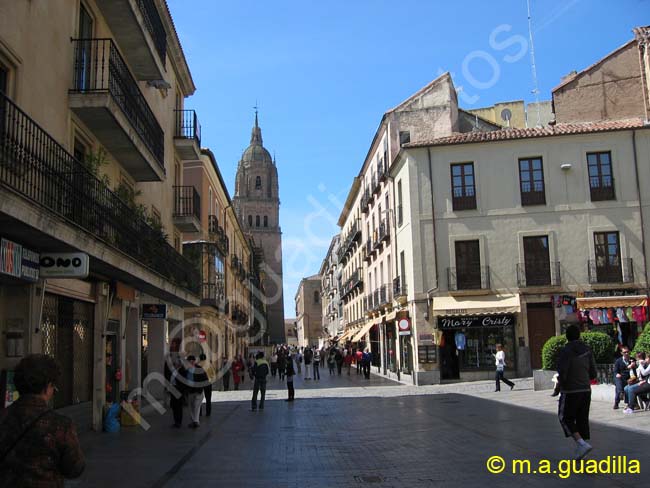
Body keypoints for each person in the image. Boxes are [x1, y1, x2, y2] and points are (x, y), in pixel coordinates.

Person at [0, 354, 85, 485]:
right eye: (53, 386)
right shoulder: (60, 425)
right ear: (47, 386)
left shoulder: (4, 417)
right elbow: (74, 469)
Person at [557, 325, 597, 460]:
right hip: (586, 389)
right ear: (579, 335)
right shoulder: (587, 349)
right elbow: (593, 373)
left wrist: (560, 385)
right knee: (582, 418)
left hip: (571, 390)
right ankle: (582, 447)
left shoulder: (565, 351)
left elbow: (563, 372)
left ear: (567, 336)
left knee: (565, 417)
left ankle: (581, 444)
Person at [164, 345, 185, 427]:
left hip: (178, 390)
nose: (175, 365)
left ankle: (178, 422)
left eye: (177, 364)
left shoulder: (182, 371)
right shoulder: (174, 371)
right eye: (175, 363)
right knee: (174, 406)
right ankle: (176, 421)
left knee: (178, 407)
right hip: (173, 389)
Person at [184, 355, 208, 428]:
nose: (191, 362)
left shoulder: (199, 369)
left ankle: (196, 421)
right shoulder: (185, 370)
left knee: (197, 406)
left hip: (198, 391)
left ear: (194, 361)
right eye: (189, 361)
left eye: (192, 361)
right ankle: (194, 420)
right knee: (191, 407)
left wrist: (201, 387)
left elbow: (205, 379)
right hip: (189, 391)